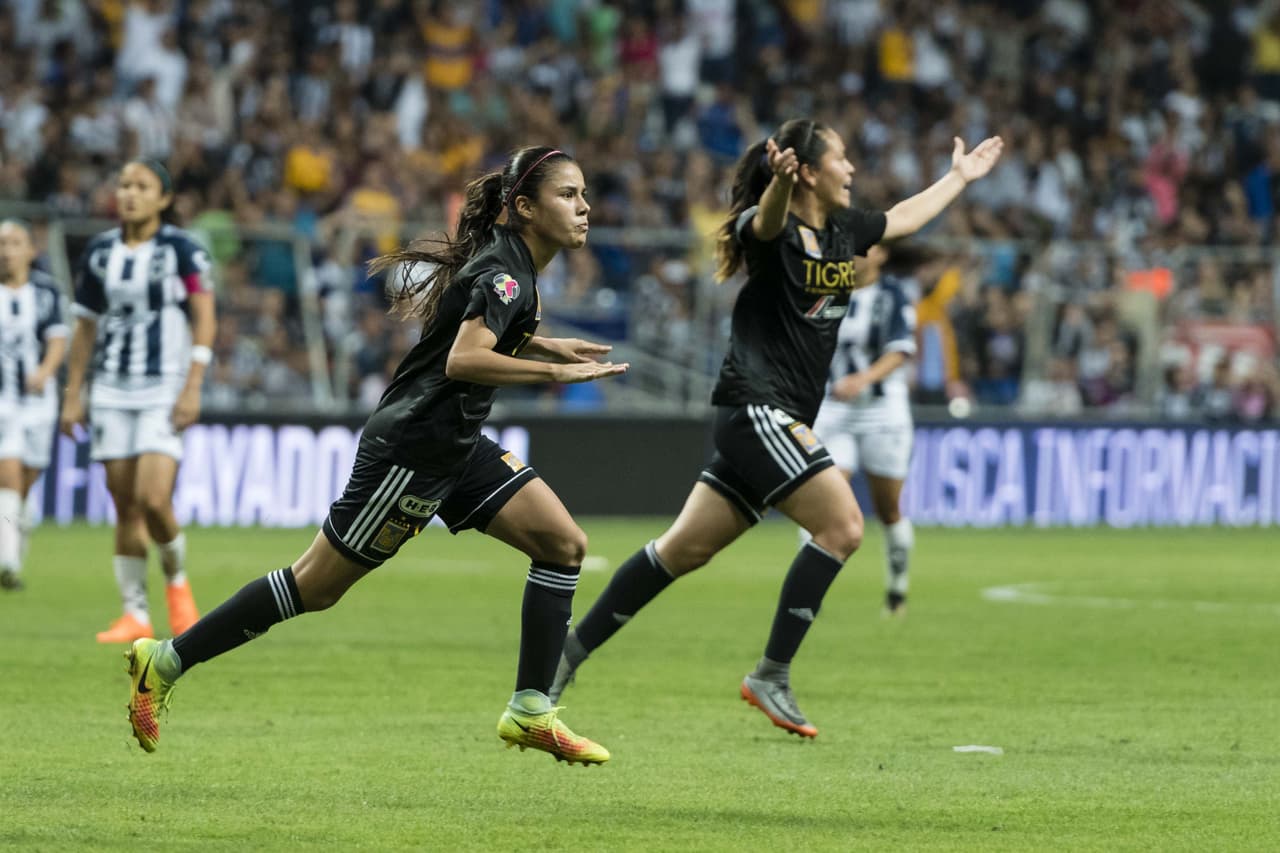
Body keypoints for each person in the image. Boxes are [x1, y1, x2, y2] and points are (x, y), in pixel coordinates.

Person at [122, 147, 629, 766]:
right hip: (412, 452)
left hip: (457, 445)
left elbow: (466, 328)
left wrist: (547, 346)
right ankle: (166, 659)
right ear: (525, 208)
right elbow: (462, 359)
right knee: (315, 588)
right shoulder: (507, 271)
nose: (584, 208)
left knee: (563, 544)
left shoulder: (515, 265)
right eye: (569, 196)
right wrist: (551, 375)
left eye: (583, 195)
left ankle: (530, 710)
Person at [550, 119, 1002, 737]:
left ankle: (563, 659)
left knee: (681, 550)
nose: (851, 169)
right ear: (807, 171)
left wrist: (958, 178)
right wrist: (781, 189)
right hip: (757, 409)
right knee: (843, 526)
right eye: (841, 159)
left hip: (773, 417)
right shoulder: (769, 230)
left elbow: (905, 218)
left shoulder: (845, 229)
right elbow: (765, 223)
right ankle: (772, 674)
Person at [60, 160, 214, 642]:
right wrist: (73, 394)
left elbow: (204, 316)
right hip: (109, 389)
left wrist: (193, 384)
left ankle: (177, 586)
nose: (129, 194)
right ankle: (135, 613)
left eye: (142, 186)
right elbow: (85, 326)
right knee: (124, 504)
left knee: (153, 499)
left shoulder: (183, 251)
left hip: (163, 387)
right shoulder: (101, 252)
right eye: (124, 184)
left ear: (163, 199)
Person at [808, 243, 917, 616]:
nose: (852, 257)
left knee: (887, 511)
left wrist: (864, 379)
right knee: (822, 504)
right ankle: (807, 596)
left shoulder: (893, 295)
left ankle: (897, 591)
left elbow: (900, 350)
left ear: (882, 255)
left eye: (862, 250)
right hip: (834, 411)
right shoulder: (825, 290)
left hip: (882, 411)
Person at [0, 219, 68, 591]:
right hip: (2, 400)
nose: (6, 249)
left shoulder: (46, 292)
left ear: (30, 250)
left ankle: (13, 552)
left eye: (14, 242)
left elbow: (58, 340)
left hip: (39, 402)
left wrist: (44, 371)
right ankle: (7, 562)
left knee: (25, 484)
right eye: (2, 243)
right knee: (7, 475)